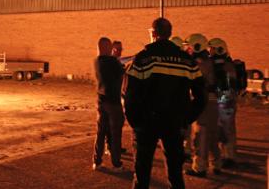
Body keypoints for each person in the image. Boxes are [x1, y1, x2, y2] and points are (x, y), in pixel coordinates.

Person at [124, 18, 206, 189]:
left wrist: (136, 123)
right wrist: (185, 118)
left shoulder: (143, 58)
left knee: (142, 174)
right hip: (174, 124)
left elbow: (129, 94)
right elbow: (201, 97)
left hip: (146, 125)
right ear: (170, 34)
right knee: (175, 174)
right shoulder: (187, 61)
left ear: (153, 33)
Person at [184, 34, 222, 177]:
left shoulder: (199, 63)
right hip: (213, 102)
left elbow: (192, 83)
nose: (187, 49)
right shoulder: (210, 61)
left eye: (189, 46)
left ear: (196, 46)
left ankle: (199, 167)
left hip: (203, 103)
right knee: (212, 135)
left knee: (200, 135)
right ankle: (216, 163)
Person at [93, 37, 125, 171]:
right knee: (115, 133)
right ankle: (116, 163)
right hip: (113, 102)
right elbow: (123, 71)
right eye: (110, 47)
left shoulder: (97, 61)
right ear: (106, 47)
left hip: (101, 101)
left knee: (101, 132)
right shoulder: (112, 62)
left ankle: (97, 161)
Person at [208, 38, 238, 168]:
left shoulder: (225, 66)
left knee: (226, 129)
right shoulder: (225, 64)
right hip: (223, 100)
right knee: (222, 128)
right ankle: (226, 155)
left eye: (212, 49)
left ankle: (229, 157)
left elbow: (227, 86)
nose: (210, 51)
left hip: (225, 100)